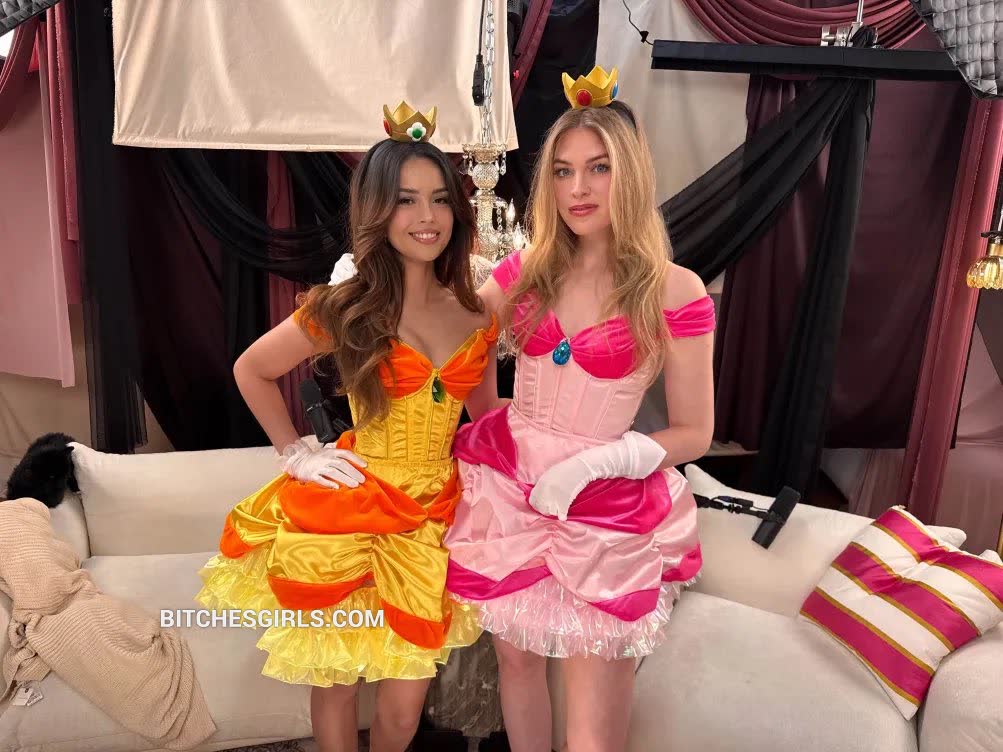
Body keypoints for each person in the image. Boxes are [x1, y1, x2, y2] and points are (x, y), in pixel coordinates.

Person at [195, 102, 499, 752]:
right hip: (352, 508)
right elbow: (252, 369)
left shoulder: (476, 314)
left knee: (402, 710)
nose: (426, 217)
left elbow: (487, 422)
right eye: (406, 200)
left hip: (432, 519)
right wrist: (298, 453)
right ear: (377, 211)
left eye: (439, 199)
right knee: (333, 680)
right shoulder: (348, 305)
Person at [443, 66, 716, 751]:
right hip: (512, 490)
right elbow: (459, 340)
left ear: (630, 175)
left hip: (604, 502)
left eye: (598, 168)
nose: (578, 189)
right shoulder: (527, 268)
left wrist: (595, 463)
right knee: (516, 665)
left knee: (593, 726)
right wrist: (489, 423)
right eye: (563, 172)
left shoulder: (674, 290)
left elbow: (695, 432)